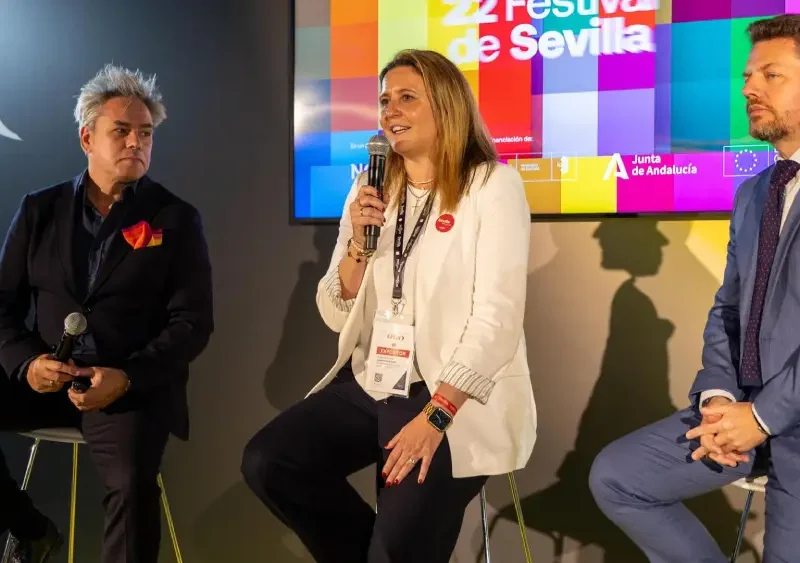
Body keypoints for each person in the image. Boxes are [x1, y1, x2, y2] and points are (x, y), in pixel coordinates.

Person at [241, 49, 536, 562]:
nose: (389, 112)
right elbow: (335, 311)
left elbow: (498, 317)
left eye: (406, 98)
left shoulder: (491, 186)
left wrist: (435, 417)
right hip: (375, 381)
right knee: (269, 461)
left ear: (446, 107)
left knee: (397, 548)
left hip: (450, 398)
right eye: (384, 101)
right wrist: (359, 244)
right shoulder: (370, 187)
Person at [589, 14, 800, 563]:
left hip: (786, 420)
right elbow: (729, 309)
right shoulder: (756, 193)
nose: (749, 88)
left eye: (771, 75)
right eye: (749, 76)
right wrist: (719, 398)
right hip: (743, 413)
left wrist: (762, 418)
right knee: (617, 477)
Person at [0, 64, 214, 563]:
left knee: (131, 489)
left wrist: (128, 376)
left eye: (145, 133)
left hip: (124, 387)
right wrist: (28, 364)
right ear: (86, 138)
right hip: (44, 378)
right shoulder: (39, 209)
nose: (135, 142)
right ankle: (30, 529)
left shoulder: (175, 218)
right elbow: (2, 306)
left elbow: (192, 323)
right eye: (121, 131)